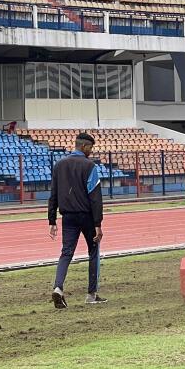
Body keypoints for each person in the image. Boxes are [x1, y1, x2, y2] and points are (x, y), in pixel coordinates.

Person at [48, 132, 106, 308]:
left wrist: (52, 220)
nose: (91, 151)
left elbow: (53, 194)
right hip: (87, 217)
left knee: (66, 253)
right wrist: (98, 224)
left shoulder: (59, 165)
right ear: (84, 147)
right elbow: (95, 197)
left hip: (67, 217)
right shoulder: (90, 166)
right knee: (93, 251)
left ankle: (58, 287)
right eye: (90, 148)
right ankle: (91, 294)